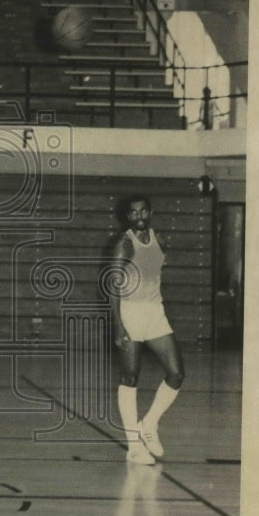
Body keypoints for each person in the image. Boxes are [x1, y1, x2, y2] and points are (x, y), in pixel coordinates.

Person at [110, 194, 185, 466]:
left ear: (150, 212)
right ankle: (133, 446)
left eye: (143, 211)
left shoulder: (159, 239)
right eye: (133, 213)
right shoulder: (123, 244)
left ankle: (149, 424)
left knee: (176, 373)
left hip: (155, 313)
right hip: (130, 313)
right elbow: (112, 288)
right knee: (130, 377)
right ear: (127, 217)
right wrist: (118, 325)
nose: (139, 216)